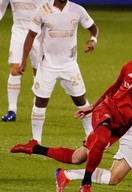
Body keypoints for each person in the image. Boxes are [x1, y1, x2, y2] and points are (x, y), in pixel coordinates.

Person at [11, 43, 132, 192]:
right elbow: (114, 88)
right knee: (101, 141)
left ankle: (35, 148)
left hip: (120, 126)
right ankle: (86, 184)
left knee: (78, 158)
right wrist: (93, 106)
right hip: (106, 110)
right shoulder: (130, 67)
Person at [18, 0, 99, 143]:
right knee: (41, 101)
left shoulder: (77, 10)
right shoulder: (43, 10)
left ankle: (90, 135)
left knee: (80, 99)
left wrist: (93, 40)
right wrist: (24, 59)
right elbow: (31, 35)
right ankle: (36, 140)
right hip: (47, 65)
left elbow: (93, 28)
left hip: (69, 65)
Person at [0, 0, 47, 122]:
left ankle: (37, 107)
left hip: (39, 34)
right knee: (15, 70)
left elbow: (53, 10)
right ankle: (12, 110)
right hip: (19, 32)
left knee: (39, 72)